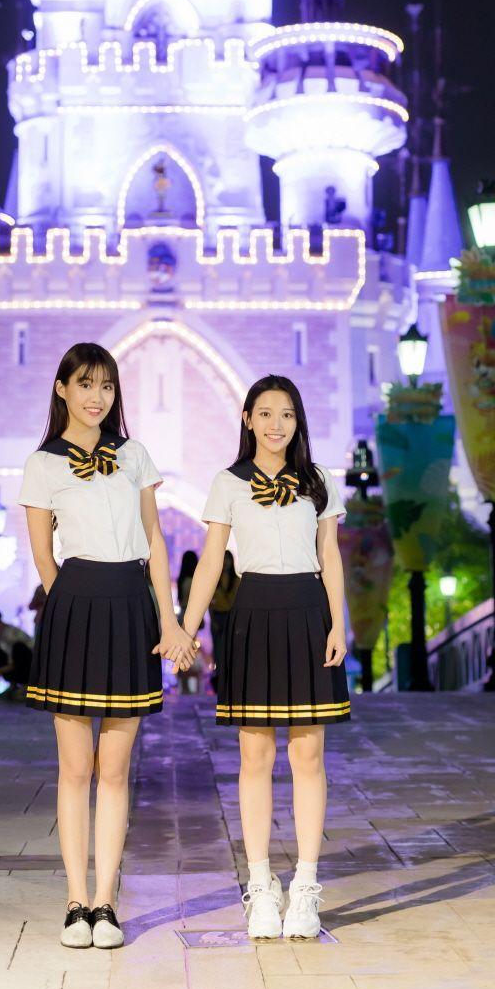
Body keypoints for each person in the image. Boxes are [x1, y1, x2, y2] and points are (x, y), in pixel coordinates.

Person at [19, 341, 197, 950]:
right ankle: (75, 903)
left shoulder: (134, 455)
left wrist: (169, 621)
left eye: (106, 386)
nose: (96, 397)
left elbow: (155, 540)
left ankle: (107, 903)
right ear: (62, 389)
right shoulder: (42, 464)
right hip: (75, 605)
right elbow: (43, 555)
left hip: (131, 606)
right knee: (75, 769)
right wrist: (68, 606)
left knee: (115, 769)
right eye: (85, 384)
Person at [177, 374, 348, 942]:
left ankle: (306, 887)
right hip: (252, 613)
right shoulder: (227, 482)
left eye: (288, 415)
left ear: (298, 422)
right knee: (254, 756)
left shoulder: (318, 481)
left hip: (308, 614)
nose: (277, 425)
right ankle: (259, 885)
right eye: (267, 413)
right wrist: (186, 630)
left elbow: (330, 555)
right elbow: (210, 563)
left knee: (308, 755)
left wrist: (339, 624)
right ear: (248, 419)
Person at [207, 551, 239, 693]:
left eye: (228, 559)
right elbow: (210, 602)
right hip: (217, 616)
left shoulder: (236, 580)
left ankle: (230, 680)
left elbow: (236, 601)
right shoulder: (216, 579)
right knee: (218, 650)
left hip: (230, 616)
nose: (226, 562)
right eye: (224, 559)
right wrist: (212, 619)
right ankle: (220, 679)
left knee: (231, 650)